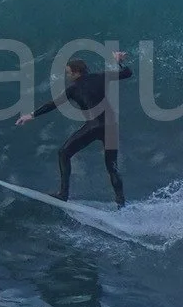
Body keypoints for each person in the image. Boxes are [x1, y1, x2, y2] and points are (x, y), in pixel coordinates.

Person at [18, 51, 134, 204]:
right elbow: (127, 73)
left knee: (63, 153)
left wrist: (31, 115)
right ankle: (121, 203)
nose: (68, 76)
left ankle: (63, 194)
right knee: (112, 166)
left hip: (95, 125)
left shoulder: (73, 88)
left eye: (69, 73)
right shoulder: (101, 76)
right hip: (111, 125)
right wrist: (119, 61)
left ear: (76, 72)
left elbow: (53, 104)